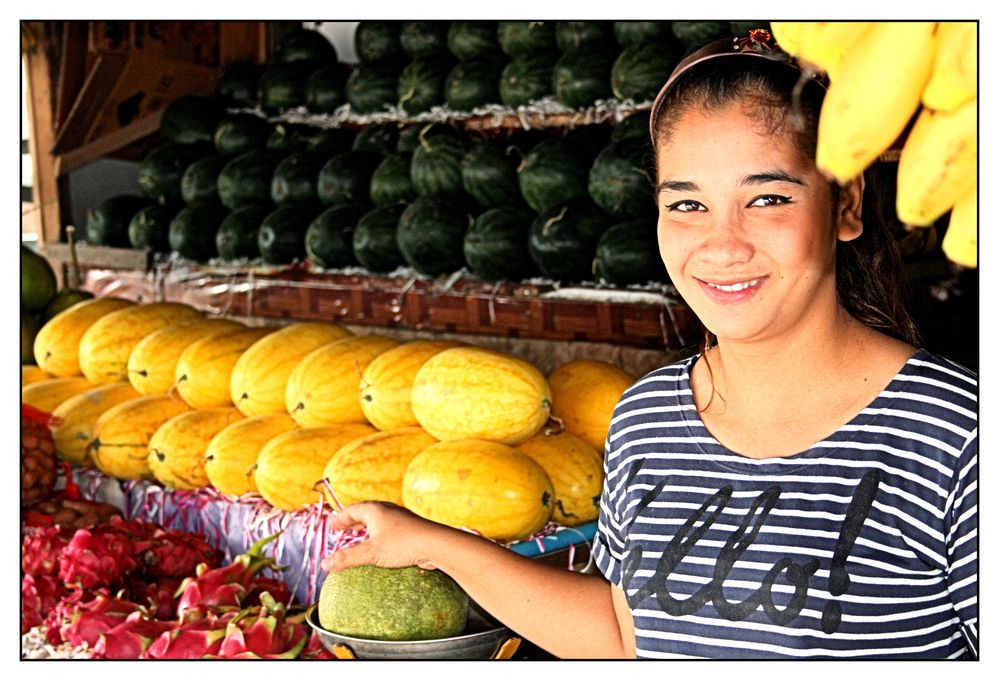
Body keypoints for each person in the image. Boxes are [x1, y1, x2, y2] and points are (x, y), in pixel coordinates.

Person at [321, 31, 978, 660]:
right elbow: (629, 634)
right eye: (687, 205)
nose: (721, 244)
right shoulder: (647, 417)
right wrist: (437, 546)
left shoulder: (957, 435)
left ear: (845, 205)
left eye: (768, 197)